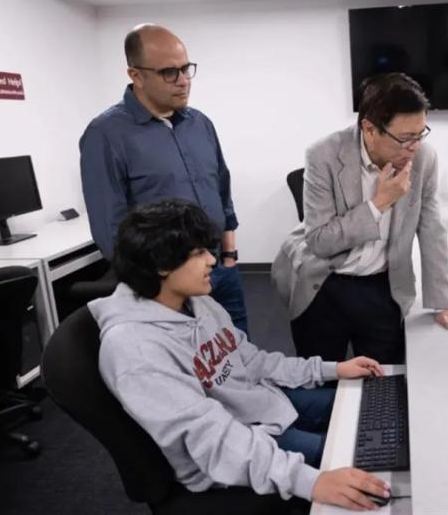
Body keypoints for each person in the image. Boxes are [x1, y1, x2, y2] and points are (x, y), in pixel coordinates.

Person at [91, 199, 391, 511]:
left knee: (363, 404)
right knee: (358, 468)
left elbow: (251, 361)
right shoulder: (135, 349)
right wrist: (312, 481)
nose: (212, 260)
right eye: (198, 253)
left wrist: (332, 369)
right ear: (162, 265)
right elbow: (210, 439)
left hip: (255, 406)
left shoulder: (196, 302)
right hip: (230, 448)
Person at [272, 72, 448, 364]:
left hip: (382, 284)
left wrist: (440, 304)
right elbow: (320, 241)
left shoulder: (424, 158)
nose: (414, 147)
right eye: (405, 138)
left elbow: (431, 229)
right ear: (369, 129)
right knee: (320, 378)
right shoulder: (323, 154)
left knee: (385, 378)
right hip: (323, 282)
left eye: (421, 134)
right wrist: (379, 203)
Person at [79, 23, 249, 334]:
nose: (183, 81)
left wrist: (229, 257)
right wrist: (158, 285)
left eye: (186, 69)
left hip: (218, 269)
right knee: (189, 371)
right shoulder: (105, 134)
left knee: (240, 356)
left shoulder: (200, 124)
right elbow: (110, 231)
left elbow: (222, 192)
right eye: (169, 72)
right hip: (163, 287)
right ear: (136, 75)